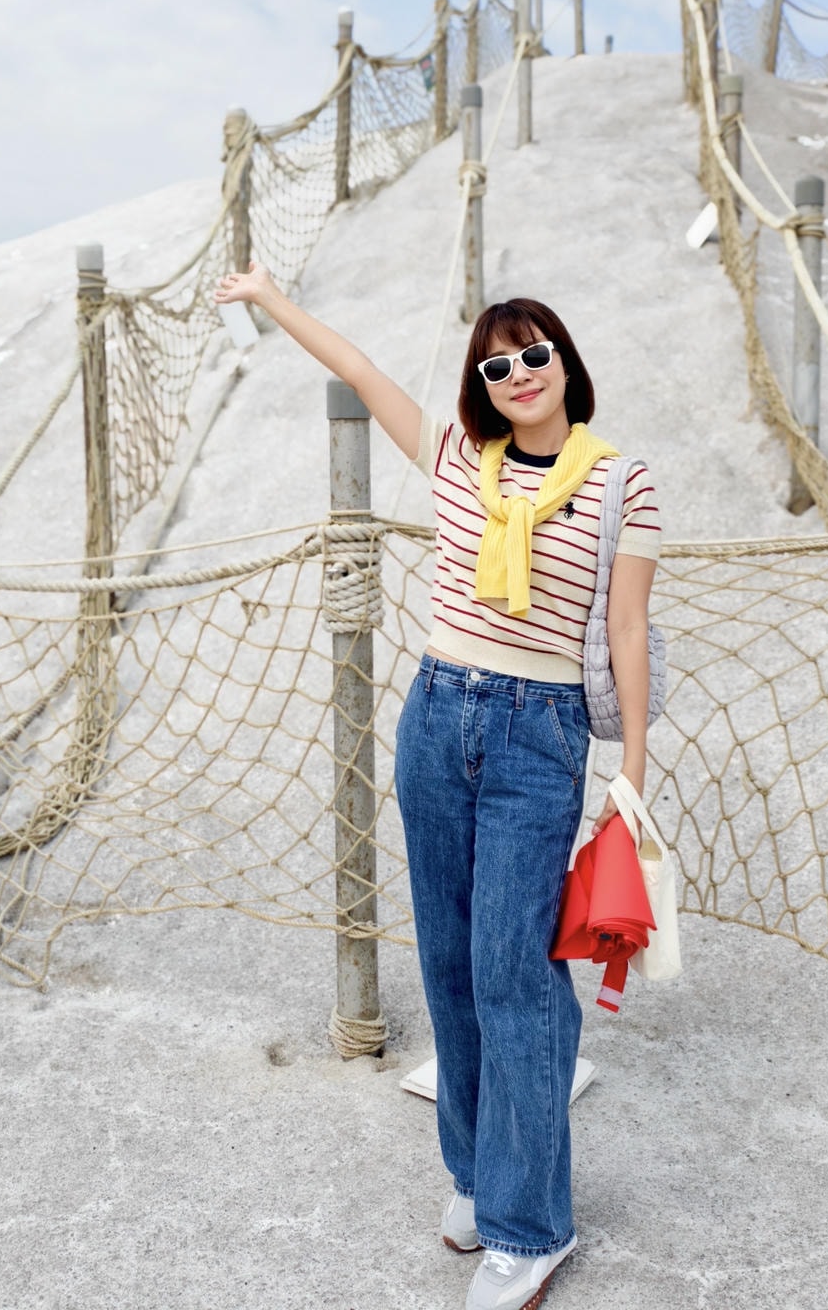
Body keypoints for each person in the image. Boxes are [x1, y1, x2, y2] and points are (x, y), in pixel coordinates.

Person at [213, 263, 661, 1310]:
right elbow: (362, 370)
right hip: (437, 712)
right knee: (452, 963)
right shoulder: (461, 455)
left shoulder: (618, 480)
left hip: (536, 731)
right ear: (482, 382)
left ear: (566, 363)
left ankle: (531, 1223)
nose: (519, 372)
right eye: (497, 362)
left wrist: (631, 767)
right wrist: (274, 298)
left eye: (535, 353)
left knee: (515, 973)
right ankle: (475, 1178)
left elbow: (630, 627)